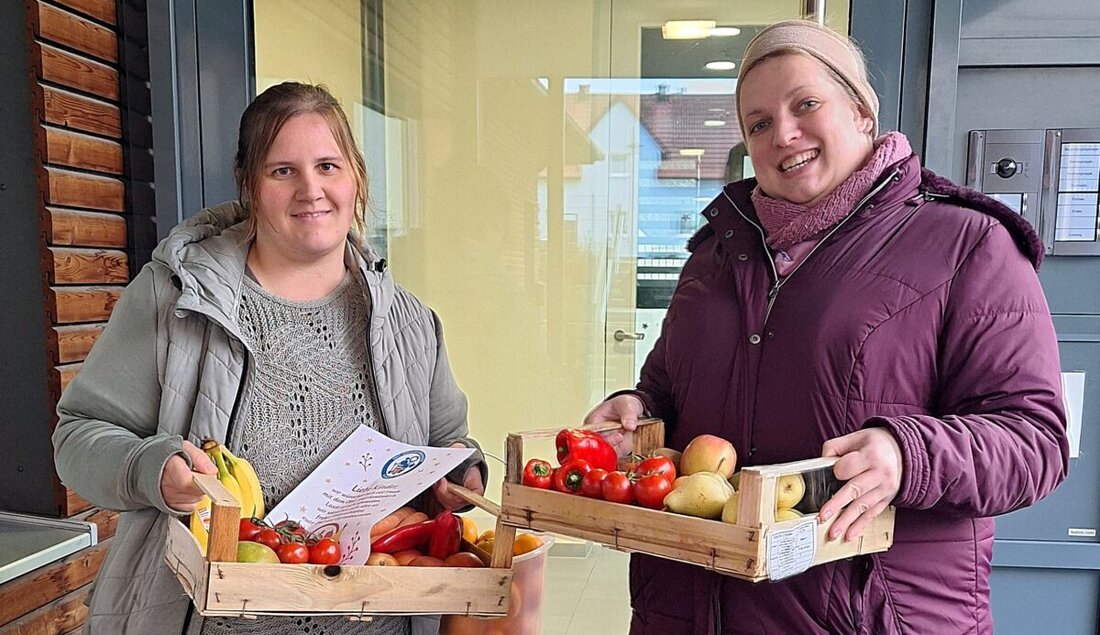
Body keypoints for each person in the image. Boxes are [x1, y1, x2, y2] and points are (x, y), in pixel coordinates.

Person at [585, 20, 1068, 634]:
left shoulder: (968, 243)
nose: (783, 134)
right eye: (758, 123)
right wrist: (635, 408)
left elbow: (1035, 440)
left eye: (805, 104)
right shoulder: (715, 252)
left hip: (866, 615)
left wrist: (908, 453)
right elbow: (667, 391)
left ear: (862, 111)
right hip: (690, 607)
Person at [52, 82, 486, 635]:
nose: (312, 190)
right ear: (250, 186)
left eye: (328, 165)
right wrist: (155, 471)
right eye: (283, 171)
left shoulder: (408, 321)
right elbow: (77, 437)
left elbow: (449, 441)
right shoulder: (174, 300)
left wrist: (461, 474)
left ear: (355, 178)